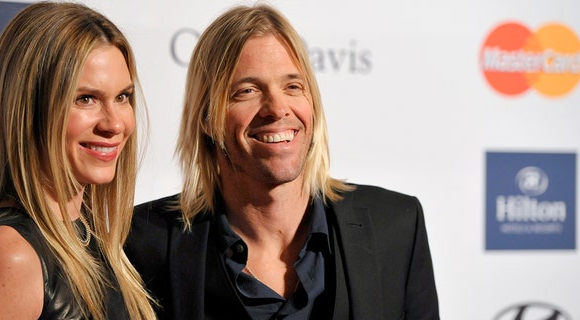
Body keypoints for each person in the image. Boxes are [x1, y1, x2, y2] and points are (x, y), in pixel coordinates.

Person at [125, 3, 439, 320]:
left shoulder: (396, 225)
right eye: (247, 90)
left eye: (293, 86)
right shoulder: (143, 243)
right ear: (206, 117)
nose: (277, 108)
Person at [0, 2, 157, 319]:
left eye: (122, 97)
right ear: (29, 110)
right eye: (86, 99)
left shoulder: (89, 235)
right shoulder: (7, 256)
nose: (115, 124)